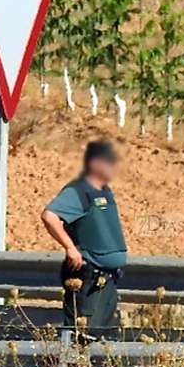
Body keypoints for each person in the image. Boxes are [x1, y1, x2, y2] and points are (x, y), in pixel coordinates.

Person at [41, 140, 128, 330]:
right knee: (83, 335)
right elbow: (50, 216)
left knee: (104, 339)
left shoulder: (104, 191)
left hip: (108, 280)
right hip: (90, 280)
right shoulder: (78, 190)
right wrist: (71, 248)